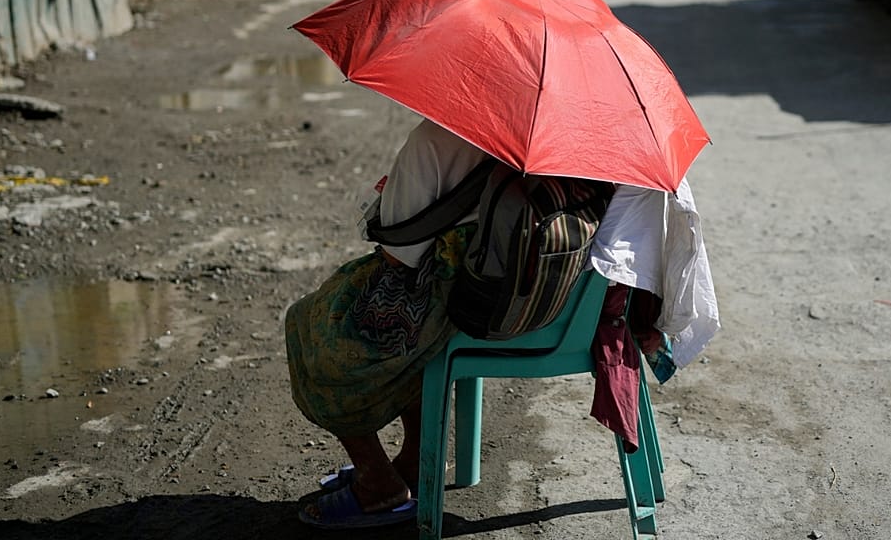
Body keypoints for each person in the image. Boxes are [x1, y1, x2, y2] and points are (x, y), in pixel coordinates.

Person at [284, 117, 718, 529]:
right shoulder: (622, 146)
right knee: (406, 316)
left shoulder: (438, 140)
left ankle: (378, 481)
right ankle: (416, 457)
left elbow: (401, 255)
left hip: (473, 313)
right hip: (574, 319)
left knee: (314, 323)